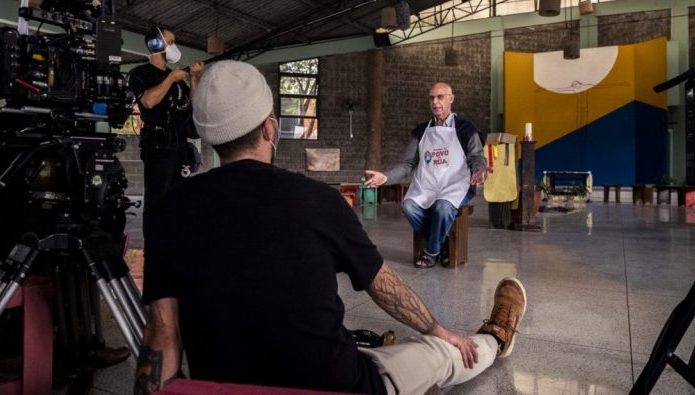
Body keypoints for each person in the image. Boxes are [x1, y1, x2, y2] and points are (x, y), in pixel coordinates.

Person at [134, 61, 526, 395]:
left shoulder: (167, 213)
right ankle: (495, 338)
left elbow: (162, 333)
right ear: (269, 128)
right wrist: (439, 329)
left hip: (227, 385)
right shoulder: (318, 200)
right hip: (335, 385)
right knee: (439, 354)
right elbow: (385, 287)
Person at [364, 82, 488, 268]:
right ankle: (443, 245)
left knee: (442, 207)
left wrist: (479, 169)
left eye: (440, 97)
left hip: (456, 185)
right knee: (408, 206)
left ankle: (431, 253)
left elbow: (476, 156)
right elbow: (407, 164)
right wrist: (386, 177)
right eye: (431, 98)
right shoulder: (421, 131)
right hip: (428, 185)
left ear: (451, 99)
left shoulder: (466, 128)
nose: (435, 102)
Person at [127, 26, 204, 215]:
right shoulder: (140, 73)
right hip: (158, 147)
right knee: (158, 201)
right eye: (170, 41)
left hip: (179, 146)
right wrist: (170, 78)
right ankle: (154, 242)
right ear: (156, 44)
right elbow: (149, 101)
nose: (174, 46)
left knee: (180, 201)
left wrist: (194, 80)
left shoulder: (178, 80)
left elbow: (190, 103)